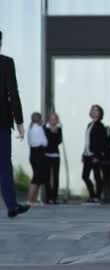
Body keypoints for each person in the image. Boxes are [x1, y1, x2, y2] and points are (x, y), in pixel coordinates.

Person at [0, 30, 30, 218]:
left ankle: (12, 205)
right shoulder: (6, 63)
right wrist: (19, 121)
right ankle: (11, 206)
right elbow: (13, 94)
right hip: (1, 123)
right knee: (4, 165)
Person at [82, 104, 107, 204]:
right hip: (87, 154)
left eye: (96, 110)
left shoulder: (100, 126)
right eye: (92, 110)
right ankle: (92, 195)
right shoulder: (89, 125)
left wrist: (97, 156)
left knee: (97, 176)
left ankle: (97, 197)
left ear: (100, 113)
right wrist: (83, 154)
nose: (94, 111)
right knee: (85, 176)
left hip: (95, 155)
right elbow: (87, 141)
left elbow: (101, 143)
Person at [26, 112, 48, 205]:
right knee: (36, 178)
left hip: (33, 154)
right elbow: (45, 142)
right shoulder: (39, 128)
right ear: (39, 119)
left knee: (37, 177)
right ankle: (30, 200)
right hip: (39, 155)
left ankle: (33, 200)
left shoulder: (30, 128)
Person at [44, 112, 62, 204]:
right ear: (48, 119)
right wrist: (52, 133)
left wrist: (53, 134)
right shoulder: (44, 128)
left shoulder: (59, 129)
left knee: (55, 177)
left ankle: (54, 198)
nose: (53, 121)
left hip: (55, 155)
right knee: (46, 177)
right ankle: (48, 198)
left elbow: (59, 141)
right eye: (51, 119)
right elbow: (45, 141)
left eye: (54, 119)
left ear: (56, 120)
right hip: (46, 155)